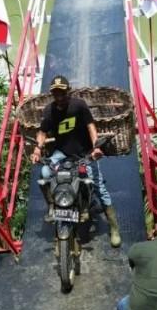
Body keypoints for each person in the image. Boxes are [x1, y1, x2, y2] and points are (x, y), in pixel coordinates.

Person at [30, 75, 122, 247]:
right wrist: (37, 148)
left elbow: (91, 126)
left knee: (97, 185)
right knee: (44, 173)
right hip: (61, 153)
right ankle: (52, 204)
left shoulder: (78, 106)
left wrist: (95, 147)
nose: (59, 97)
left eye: (62, 93)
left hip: (83, 153)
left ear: (68, 92)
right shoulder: (49, 110)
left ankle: (114, 227)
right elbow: (42, 132)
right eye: (56, 94)